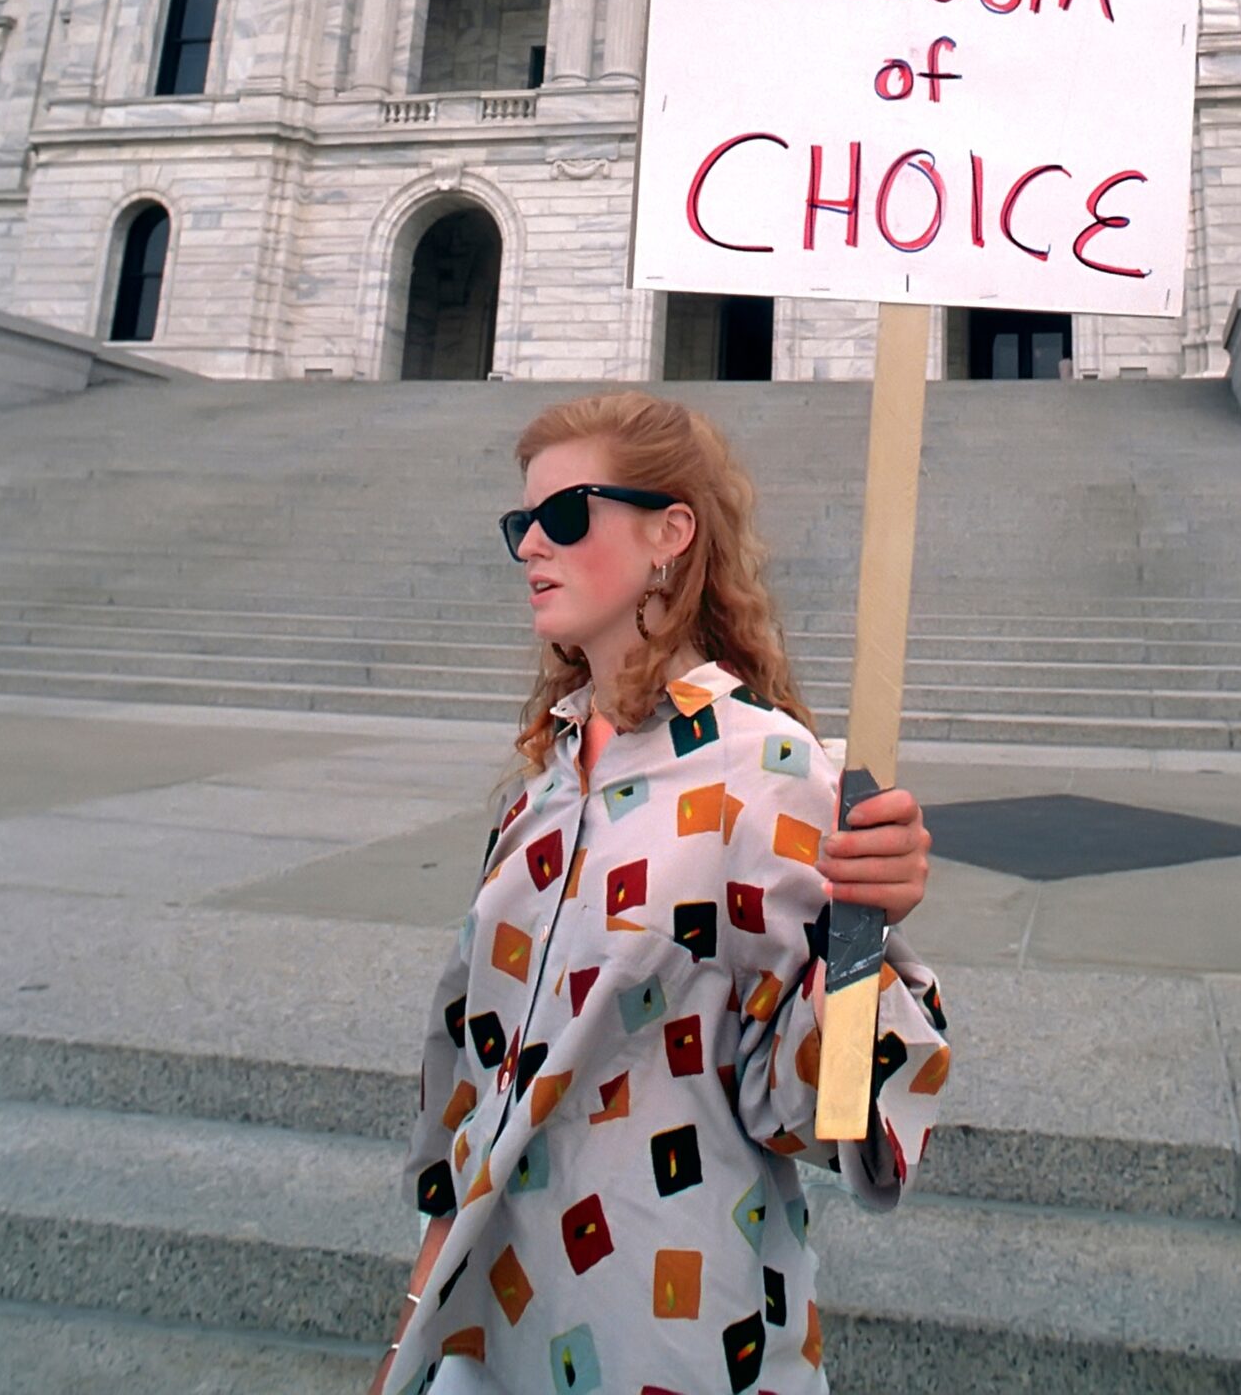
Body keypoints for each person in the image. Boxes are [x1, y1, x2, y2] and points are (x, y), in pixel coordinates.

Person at [373, 390, 945, 1395]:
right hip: (491, 1323)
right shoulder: (542, 780)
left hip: (668, 1318)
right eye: (522, 523)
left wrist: (860, 938)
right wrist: (416, 1321)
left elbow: (806, 1105)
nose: (530, 547)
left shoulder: (765, 769)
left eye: (563, 517)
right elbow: (471, 1088)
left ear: (668, 534)